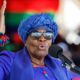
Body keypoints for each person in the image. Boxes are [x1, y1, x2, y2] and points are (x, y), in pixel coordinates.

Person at [0, 0, 80, 80]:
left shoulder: (60, 65)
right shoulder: (9, 61)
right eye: (36, 34)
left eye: (48, 35)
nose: (42, 39)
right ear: (25, 40)